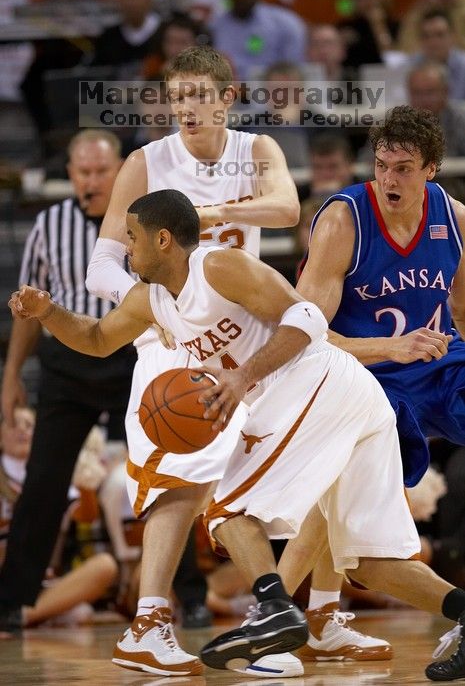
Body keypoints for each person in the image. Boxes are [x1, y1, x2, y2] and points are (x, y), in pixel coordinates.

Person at [10, 187, 465, 683]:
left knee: (226, 511)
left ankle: (273, 610)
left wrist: (243, 376)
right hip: (349, 402)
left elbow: (308, 317)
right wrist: (49, 313)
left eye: (132, 238)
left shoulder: (218, 267)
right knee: (373, 564)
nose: (125, 250)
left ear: (163, 240)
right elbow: (97, 340)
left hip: (318, 385)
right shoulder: (151, 301)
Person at [84, 44, 305, 677]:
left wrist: (206, 215)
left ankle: (300, 614)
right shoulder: (147, 163)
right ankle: (152, 619)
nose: (186, 108)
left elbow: (287, 208)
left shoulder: (257, 152)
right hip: (180, 336)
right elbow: (103, 262)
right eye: (177, 97)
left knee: (285, 465)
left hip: (251, 334)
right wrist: (154, 302)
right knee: (187, 473)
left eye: (198, 96)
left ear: (226, 98)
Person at [296, 104, 465, 681]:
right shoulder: (344, 221)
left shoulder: (456, 219)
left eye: (404, 168)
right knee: (351, 519)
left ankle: (309, 616)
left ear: (433, 171)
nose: (389, 179)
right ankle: (295, 613)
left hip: (434, 361)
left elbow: (463, 310)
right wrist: (389, 349)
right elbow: (309, 335)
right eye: (382, 165)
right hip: (361, 375)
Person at [0, 129, 135, 635]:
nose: (91, 180)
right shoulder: (49, 223)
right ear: (71, 174)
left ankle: (183, 596)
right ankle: (13, 601)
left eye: (101, 171)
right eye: (83, 171)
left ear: (119, 169)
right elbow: (26, 308)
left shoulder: (141, 218)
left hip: (129, 356)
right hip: (67, 364)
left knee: (163, 472)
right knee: (44, 481)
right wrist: (12, 373)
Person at [0, 408, 118, 631]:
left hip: (42, 583)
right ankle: (38, 614)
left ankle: (22, 616)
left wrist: (86, 484)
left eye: (29, 425)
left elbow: (86, 516)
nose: (23, 430)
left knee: (105, 566)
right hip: (4, 576)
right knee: (81, 614)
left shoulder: (52, 473)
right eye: (14, 424)